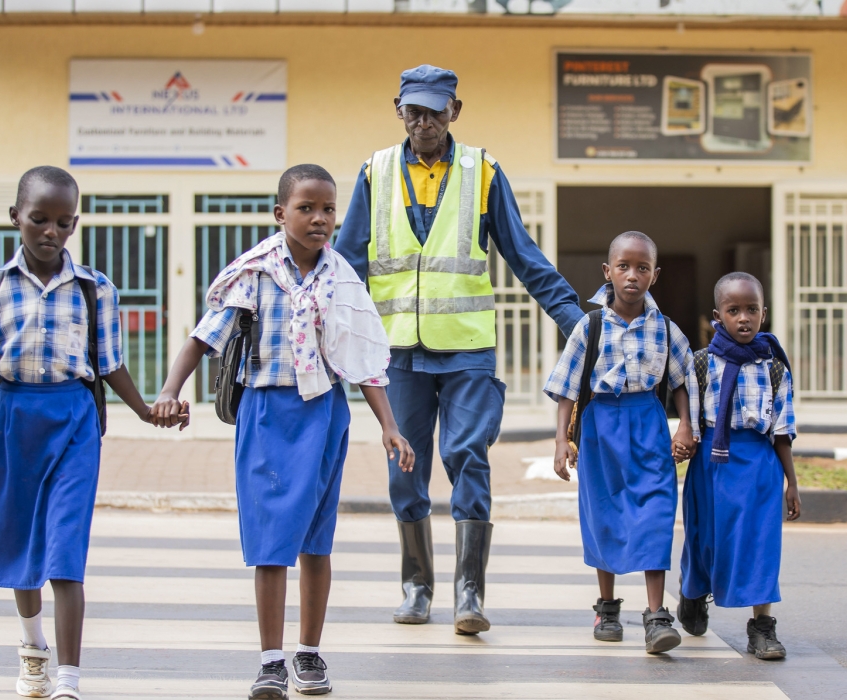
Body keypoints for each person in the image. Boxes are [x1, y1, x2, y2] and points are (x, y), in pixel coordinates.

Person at [151, 165, 414, 700]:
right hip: (266, 415)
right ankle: (271, 661)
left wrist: (389, 425)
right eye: (306, 208)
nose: (319, 219)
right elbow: (204, 337)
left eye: (328, 210)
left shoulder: (341, 278)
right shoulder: (254, 273)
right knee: (270, 544)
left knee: (317, 541)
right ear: (280, 214)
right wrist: (170, 389)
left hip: (324, 416)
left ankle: (309, 653)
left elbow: (361, 358)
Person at [336, 64, 583, 634]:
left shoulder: (483, 171)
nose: (424, 122)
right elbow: (347, 260)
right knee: (406, 467)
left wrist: (577, 322)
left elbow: (524, 255)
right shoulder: (374, 172)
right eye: (413, 111)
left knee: (468, 456)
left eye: (435, 111)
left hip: (468, 349)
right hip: (396, 351)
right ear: (398, 108)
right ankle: (416, 586)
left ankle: (468, 593)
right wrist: (335, 331)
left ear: (455, 111)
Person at [0, 166, 172, 700]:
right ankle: (32, 650)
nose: (51, 231)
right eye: (39, 219)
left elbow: (111, 365)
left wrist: (143, 410)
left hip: (73, 422)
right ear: (15, 218)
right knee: (24, 543)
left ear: (74, 224)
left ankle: (68, 680)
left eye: (63, 223)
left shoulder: (96, 290)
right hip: (11, 420)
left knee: (65, 549)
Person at [547, 231, 696, 654]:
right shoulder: (588, 326)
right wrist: (562, 441)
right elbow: (567, 388)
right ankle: (608, 608)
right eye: (624, 267)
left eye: (643, 267)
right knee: (604, 513)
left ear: (655, 275)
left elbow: (683, 379)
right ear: (607, 271)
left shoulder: (666, 329)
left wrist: (685, 425)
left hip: (647, 419)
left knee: (656, 511)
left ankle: (655, 616)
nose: (632, 275)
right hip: (600, 428)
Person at [678, 271, 802, 660]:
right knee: (707, 541)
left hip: (760, 467)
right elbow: (691, 421)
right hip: (712, 465)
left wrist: (791, 483)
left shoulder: (776, 368)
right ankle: (694, 592)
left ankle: (762, 629)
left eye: (752, 310)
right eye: (734, 310)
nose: (744, 318)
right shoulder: (700, 364)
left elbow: (782, 431)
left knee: (760, 544)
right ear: (718, 316)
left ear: (764, 314)